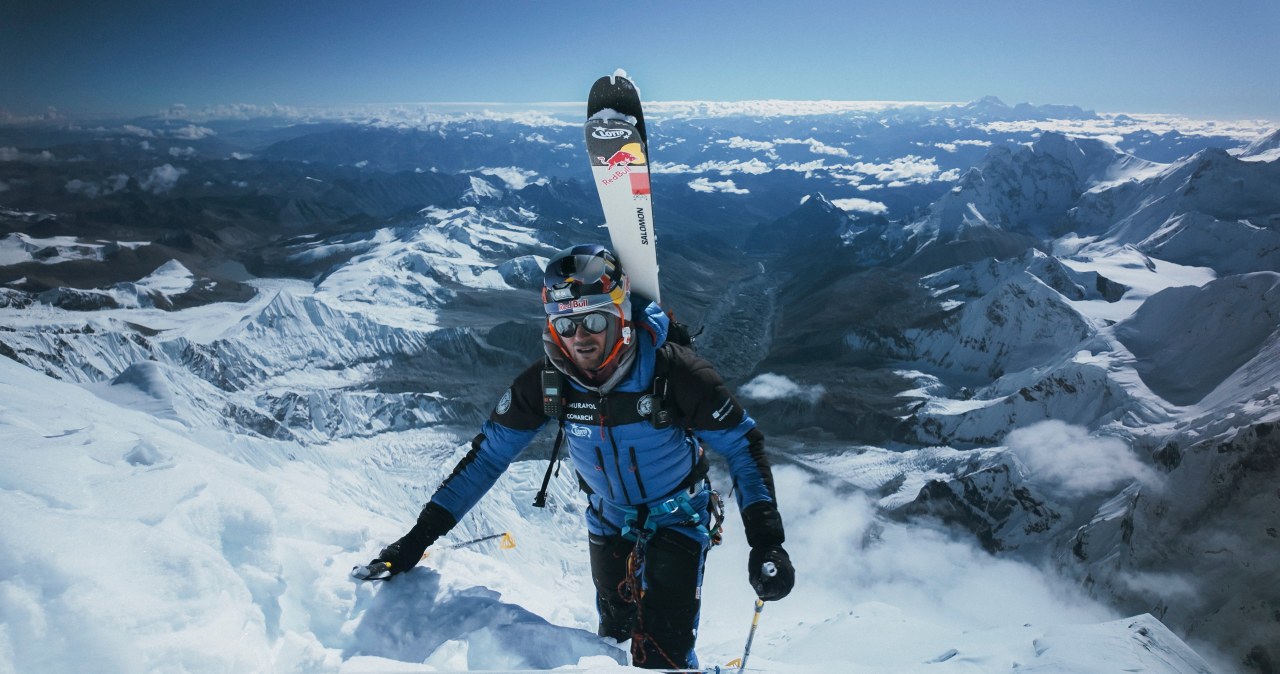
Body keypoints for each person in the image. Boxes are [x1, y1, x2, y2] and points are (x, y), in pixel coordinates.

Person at [366, 244, 794, 670]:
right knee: (613, 640)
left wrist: (767, 542)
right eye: (566, 325)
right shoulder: (549, 383)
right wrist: (414, 542)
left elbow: (743, 445)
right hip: (608, 520)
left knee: (661, 659)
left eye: (593, 320)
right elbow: (487, 459)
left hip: (678, 518)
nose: (580, 337)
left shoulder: (674, 372)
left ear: (621, 316)